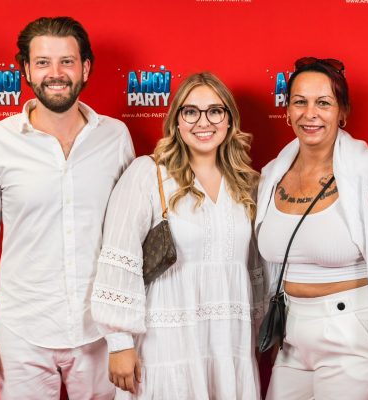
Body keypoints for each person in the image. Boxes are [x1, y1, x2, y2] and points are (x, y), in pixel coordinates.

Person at [0, 16, 135, 399]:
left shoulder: (115, 137)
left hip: (100, 329)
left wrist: (126, 331)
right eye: (42, 62)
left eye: (67, 61)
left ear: (85, 68)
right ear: (26, 69)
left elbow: (130, 235)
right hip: (22, 331)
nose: (56, 73)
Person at [91, 72, 262, 400]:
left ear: (229, 120)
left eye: (215, 111)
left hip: (229, 344)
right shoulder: (148, 174)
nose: (203, 122)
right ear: (177, 121)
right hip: (166, 346)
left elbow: (255, 268)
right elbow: (118, 254)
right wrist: (119, 342)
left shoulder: (246, 184)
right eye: (191, 111)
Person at [256, 57, 368, 400]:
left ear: (342, 112)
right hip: (292, 335)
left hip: (354, 333)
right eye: (300, 102)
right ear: (287, 110)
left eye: (323, 103)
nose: (310, 113)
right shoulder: (271, 175)